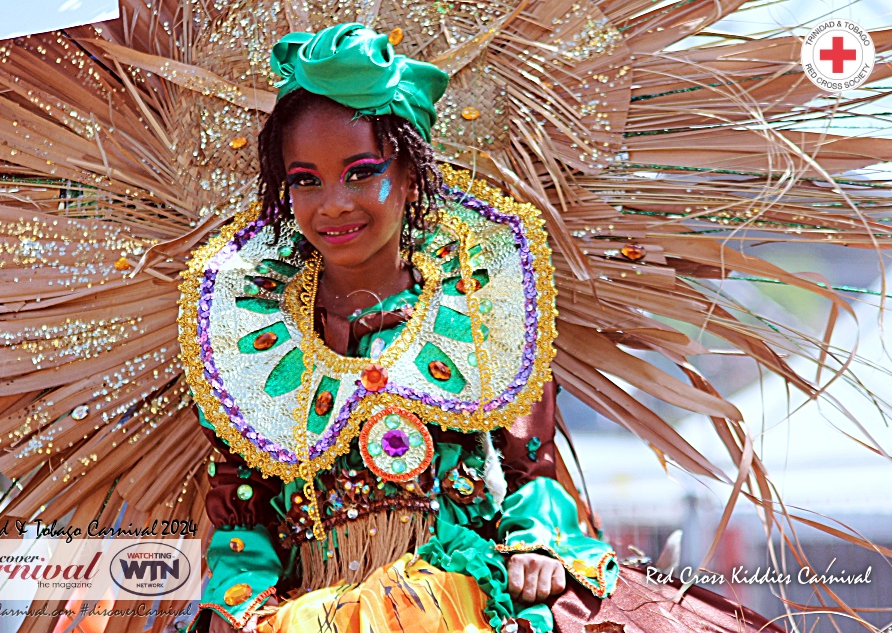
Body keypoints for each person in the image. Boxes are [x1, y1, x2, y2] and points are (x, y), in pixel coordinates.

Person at [179, 22, 783, 633]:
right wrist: (240, 600)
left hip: (471, 599)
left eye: (361, 172)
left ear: (412, 171)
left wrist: (536, 544)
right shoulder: (246, 331)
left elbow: (529, 469)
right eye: (305, 180)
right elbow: (243, 512)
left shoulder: (482, 300)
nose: (332, 203)